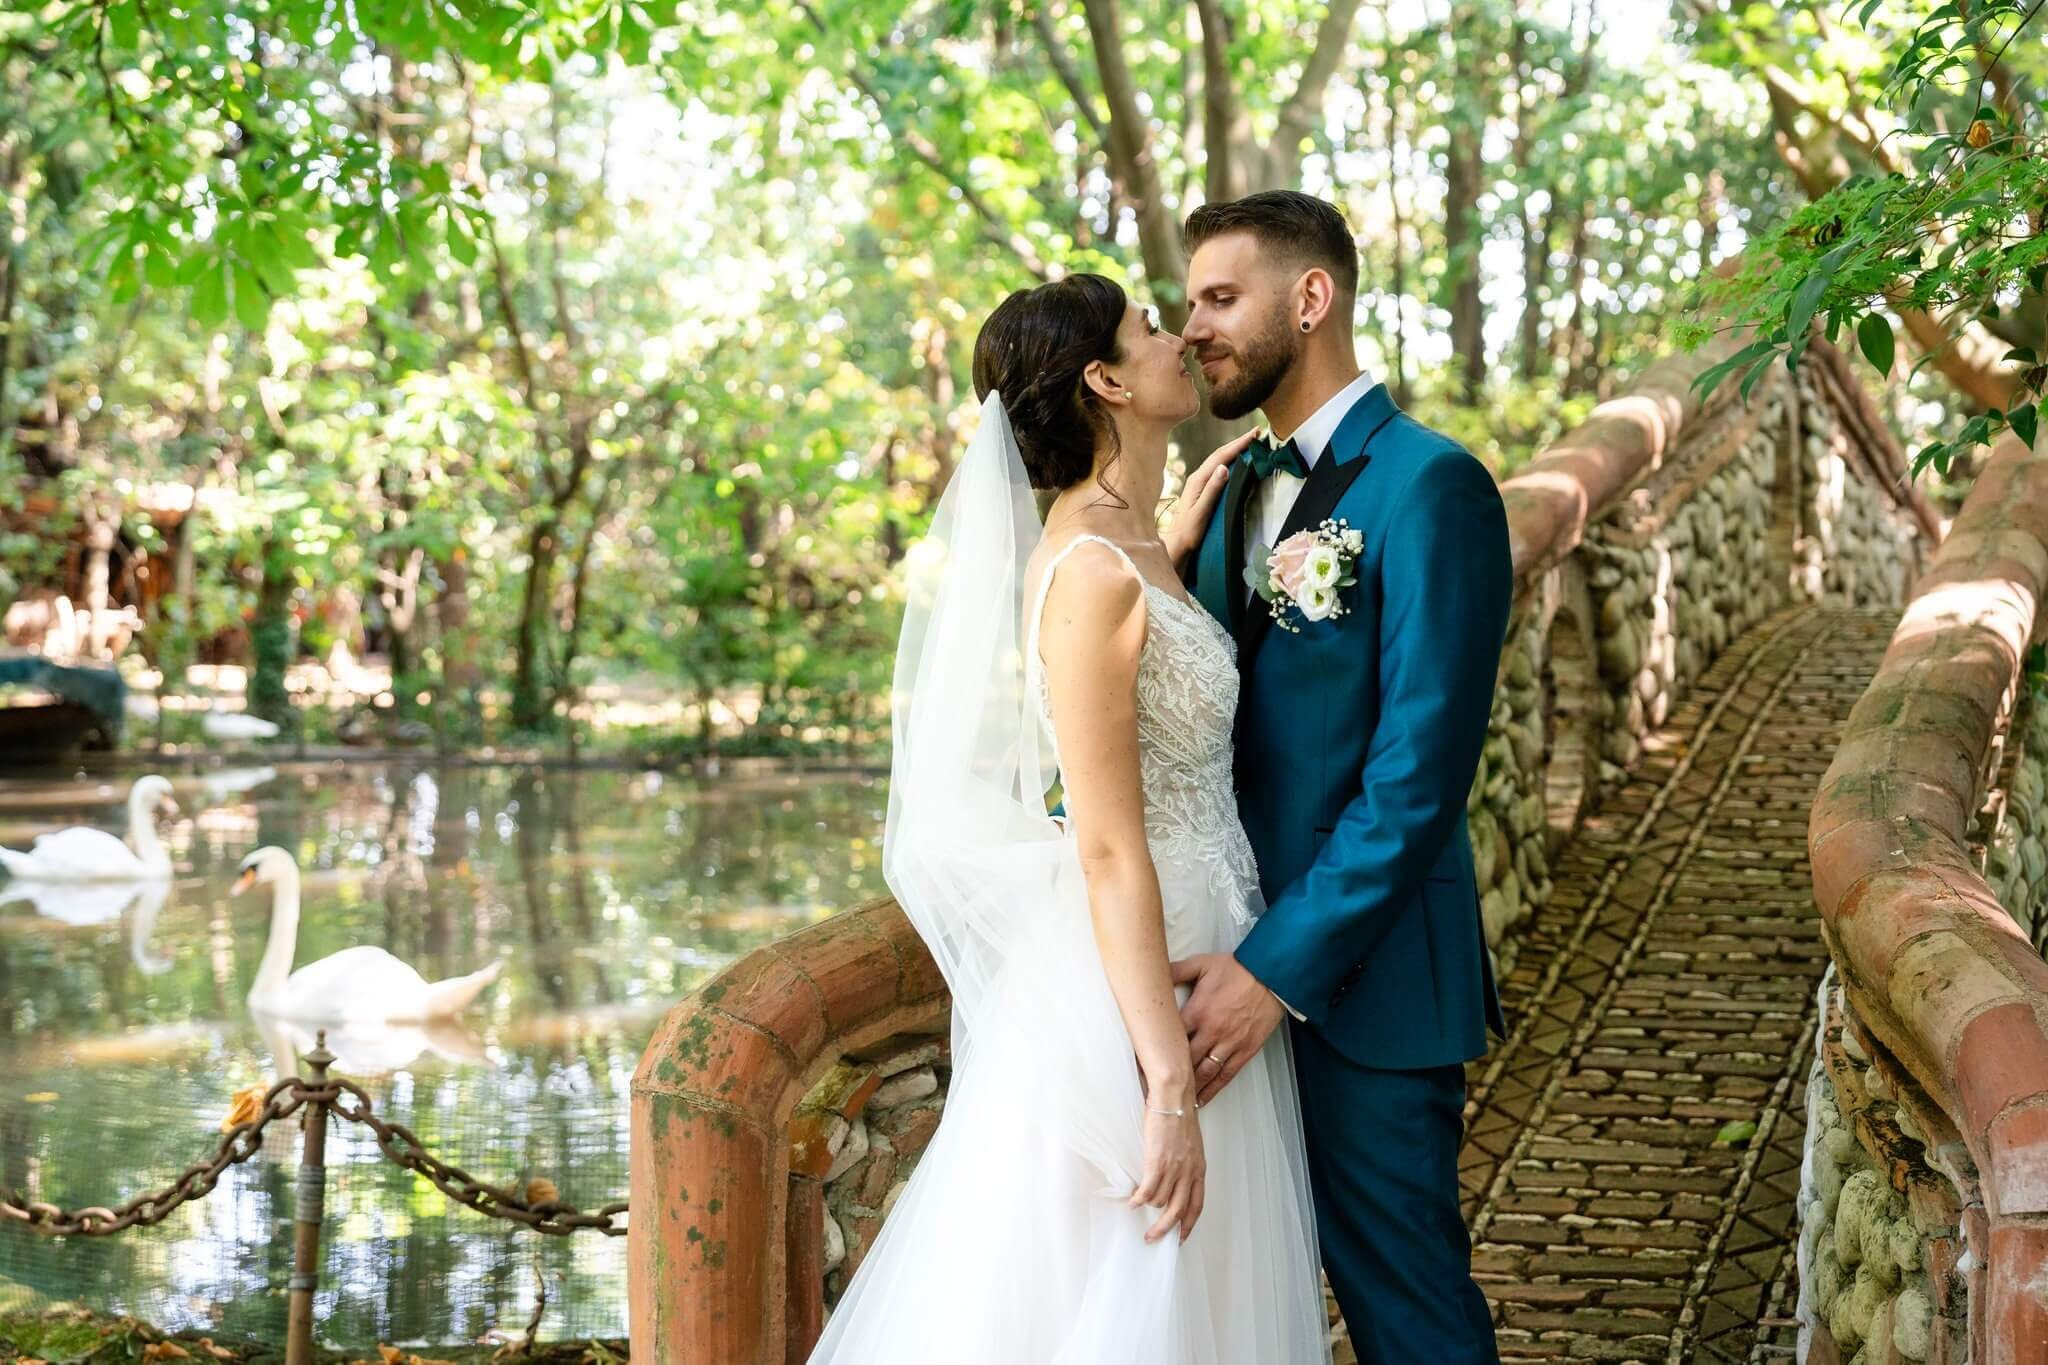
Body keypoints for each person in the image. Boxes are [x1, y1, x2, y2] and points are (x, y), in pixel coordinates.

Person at [805, 271, 1330, 1363]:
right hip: (1140, 994)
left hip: (1204, 938)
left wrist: (1171, 554)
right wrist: (1168, 1087)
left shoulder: (1127, 549)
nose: (1177, 336)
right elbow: (1101, 843)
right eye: (1148, 328)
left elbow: (1147, 696)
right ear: (1103, 378)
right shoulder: (1093, 570)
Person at [1170, 190, 1511, 1364]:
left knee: (1406, 1313)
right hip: (1212, 975)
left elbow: (1416, 779)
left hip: (1360, 996)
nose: (1194, 327)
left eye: (1221, 297)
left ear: (1308, 298)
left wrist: (1273, 971)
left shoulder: (1431, 486)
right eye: (1188, 303)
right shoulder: (1222, 498)